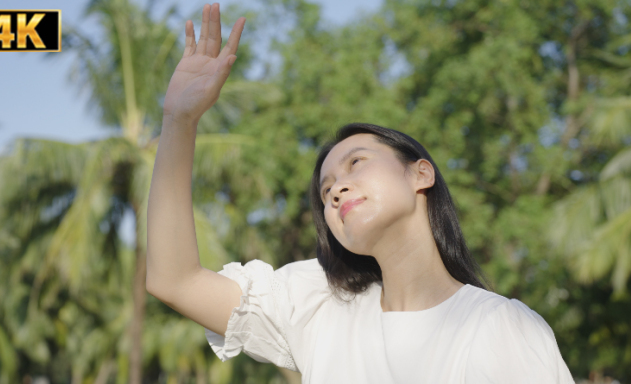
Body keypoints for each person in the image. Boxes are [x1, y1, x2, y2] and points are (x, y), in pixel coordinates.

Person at [146, 3, 575, 383]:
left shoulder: (500, 327)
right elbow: (175, 280)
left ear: (420, 174)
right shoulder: (318, 307)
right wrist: (178, 121)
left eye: (356, 163)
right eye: (326, 188)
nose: (336, 191)